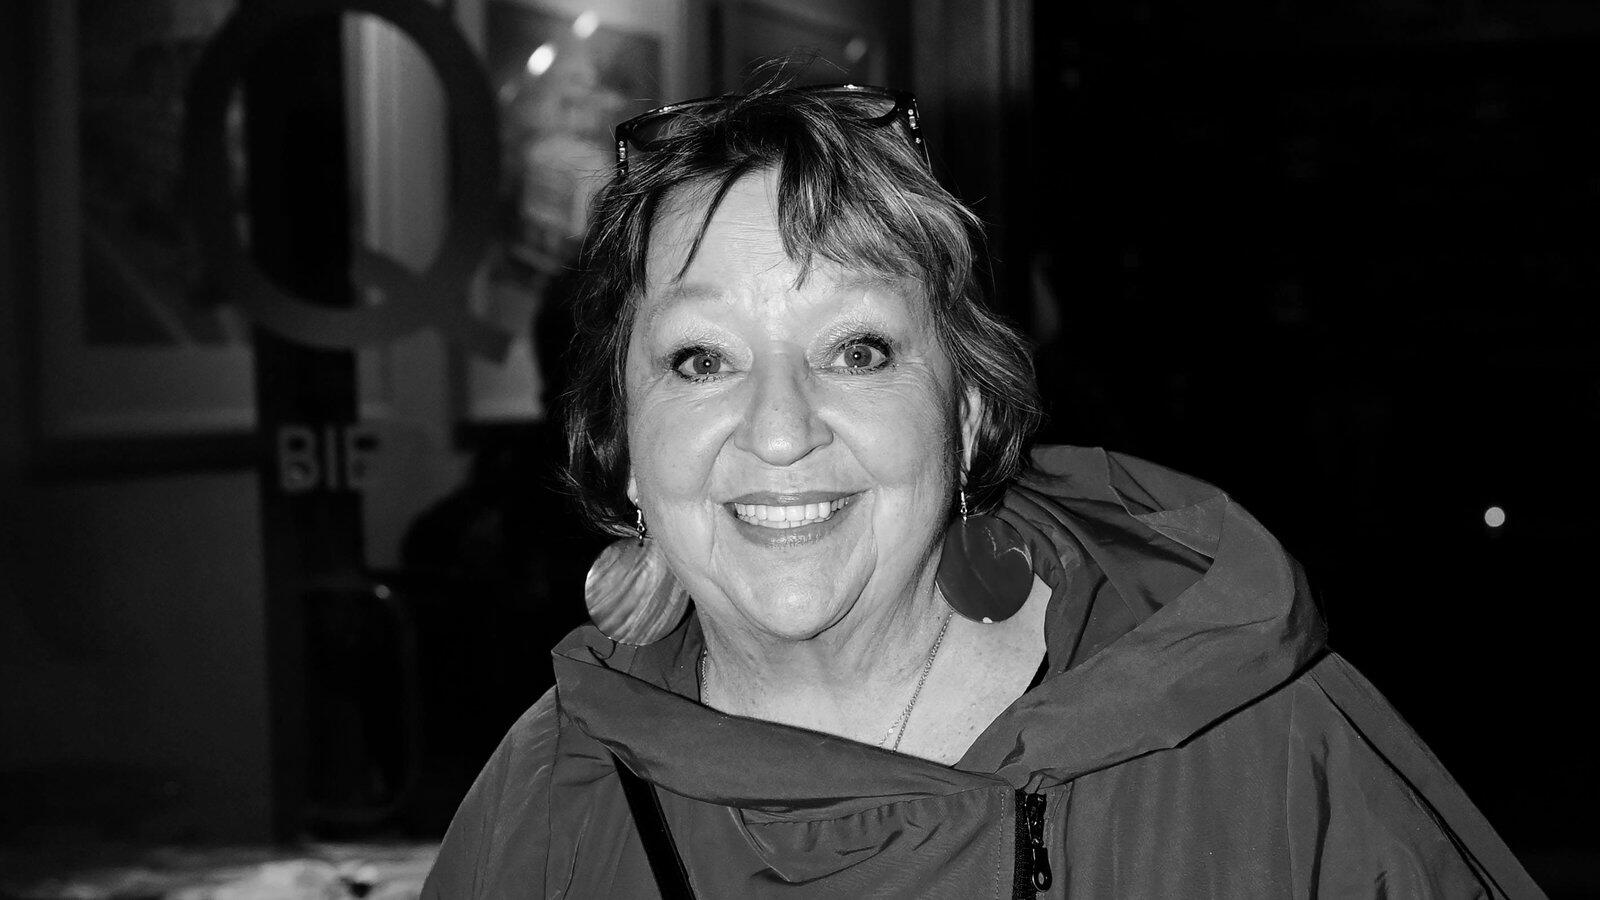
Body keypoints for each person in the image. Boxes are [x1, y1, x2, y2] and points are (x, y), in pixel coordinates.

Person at [422, 83, 1543, 898]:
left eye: (858, 349)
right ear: (623, 441)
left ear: (965, 416)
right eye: (701, 359)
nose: (779, 430)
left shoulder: (1256, 745)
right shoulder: (547, 799)